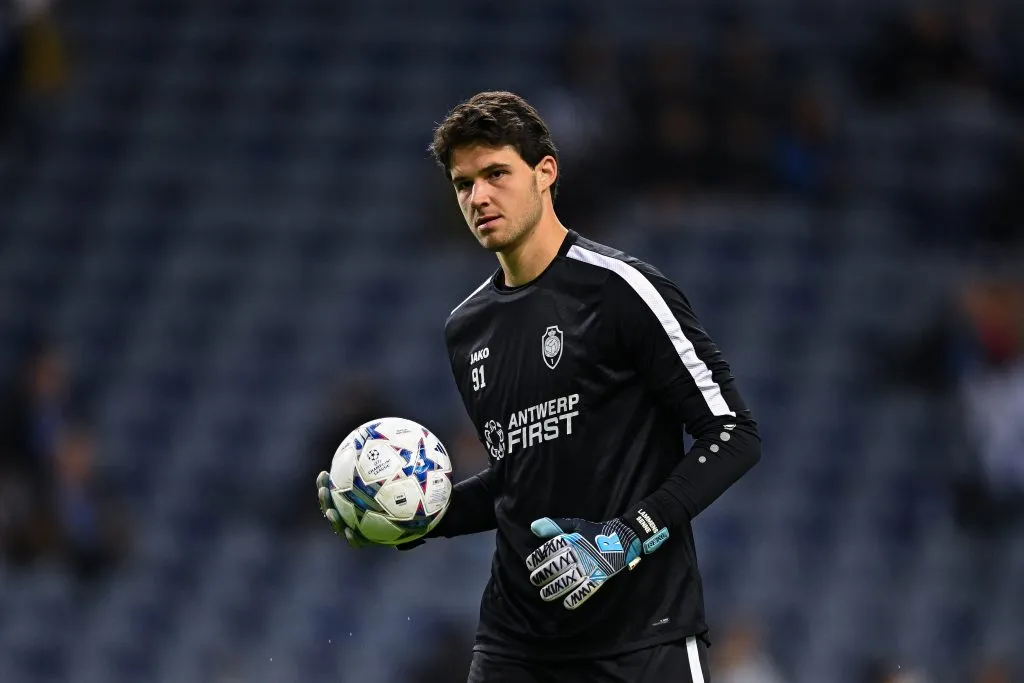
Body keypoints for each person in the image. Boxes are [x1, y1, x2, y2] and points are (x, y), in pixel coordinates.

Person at [316, 91, 762, 683]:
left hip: (640, 643)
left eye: (496, 173)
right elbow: (522, 478)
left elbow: (733, 434)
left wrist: (626, 536)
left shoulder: (622, 290)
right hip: (515, 649)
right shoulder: (467, 329)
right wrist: (416, 514)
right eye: (463, 183)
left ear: (545, 172)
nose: (478, 197)